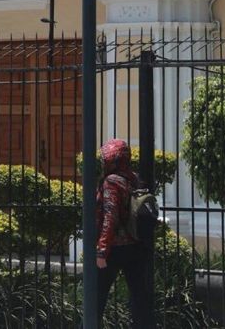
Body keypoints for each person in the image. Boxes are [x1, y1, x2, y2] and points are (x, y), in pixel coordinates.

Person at [95, 138, 155, 328]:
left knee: (96, 298)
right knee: (140, 299)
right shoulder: (134, 178)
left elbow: (110, 217)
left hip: (115, 248)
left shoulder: (111, 181)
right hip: (136, 246)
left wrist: (102, 251)